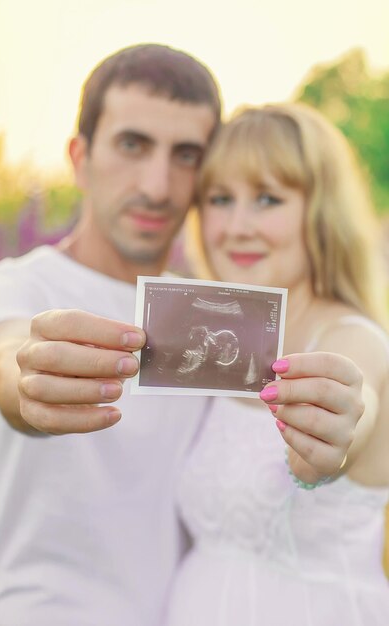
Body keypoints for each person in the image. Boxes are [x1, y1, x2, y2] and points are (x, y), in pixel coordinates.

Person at [0, 43, 221, 626]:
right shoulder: (10, 288)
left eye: (185, 155)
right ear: (80, 156)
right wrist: (28, 381)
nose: (159, 185)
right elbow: (4, 360)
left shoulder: (216, 320)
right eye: (133, 145)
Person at [164, 103, 389, 625]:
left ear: (321, 210)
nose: (237, 226)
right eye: (220, 199)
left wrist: (335, 432)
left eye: (267, 198)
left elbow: (353, 410)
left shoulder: (354, 341)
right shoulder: (216, 342)